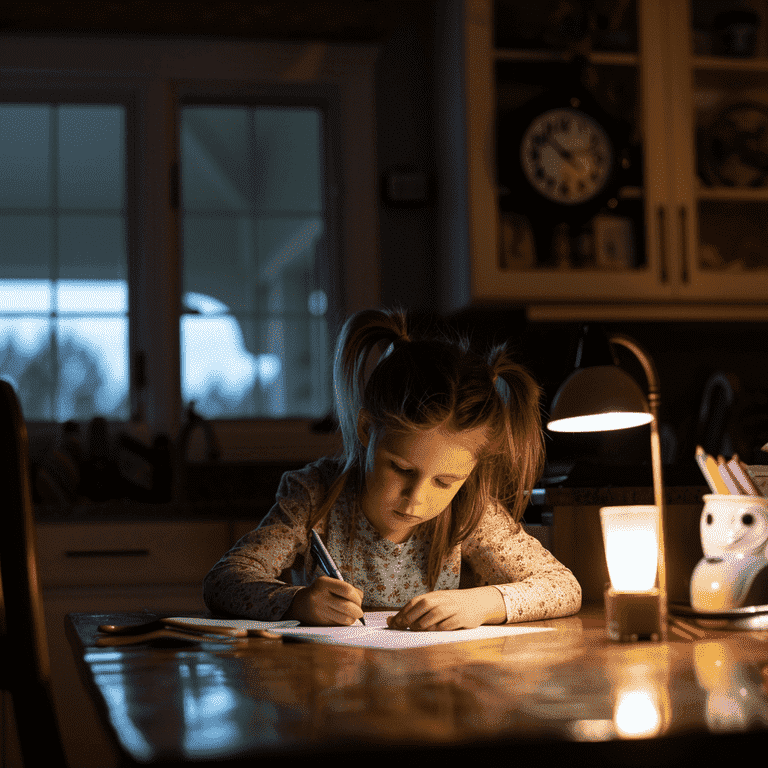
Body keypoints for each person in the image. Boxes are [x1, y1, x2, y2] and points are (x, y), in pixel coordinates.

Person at [203, 308, 581, 630]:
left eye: (445, 481)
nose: (417, 498)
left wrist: (482, 605)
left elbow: (563, 587)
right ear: (367, 430)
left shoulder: (471, 511)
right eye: (401, 469)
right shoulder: (313, 495)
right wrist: (297, 602)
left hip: (436, 693)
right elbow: (224, 581)